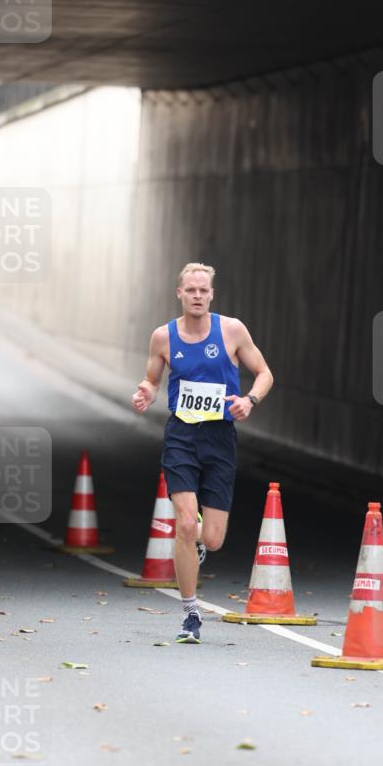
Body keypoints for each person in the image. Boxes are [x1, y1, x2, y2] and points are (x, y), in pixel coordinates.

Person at [132, 262, 273, 642]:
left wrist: (249, 400)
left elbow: (265, 373)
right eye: (190, 290)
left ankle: (196, 543)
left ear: (212, 294)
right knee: (185, 523)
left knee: (212, 538)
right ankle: (190, 613)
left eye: (203, 290)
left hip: (220, 438)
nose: (197, 296)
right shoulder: (163, 337)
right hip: (181, 435)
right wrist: (146, 392)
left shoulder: (232, 330)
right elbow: (151, 379)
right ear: (179, 293)